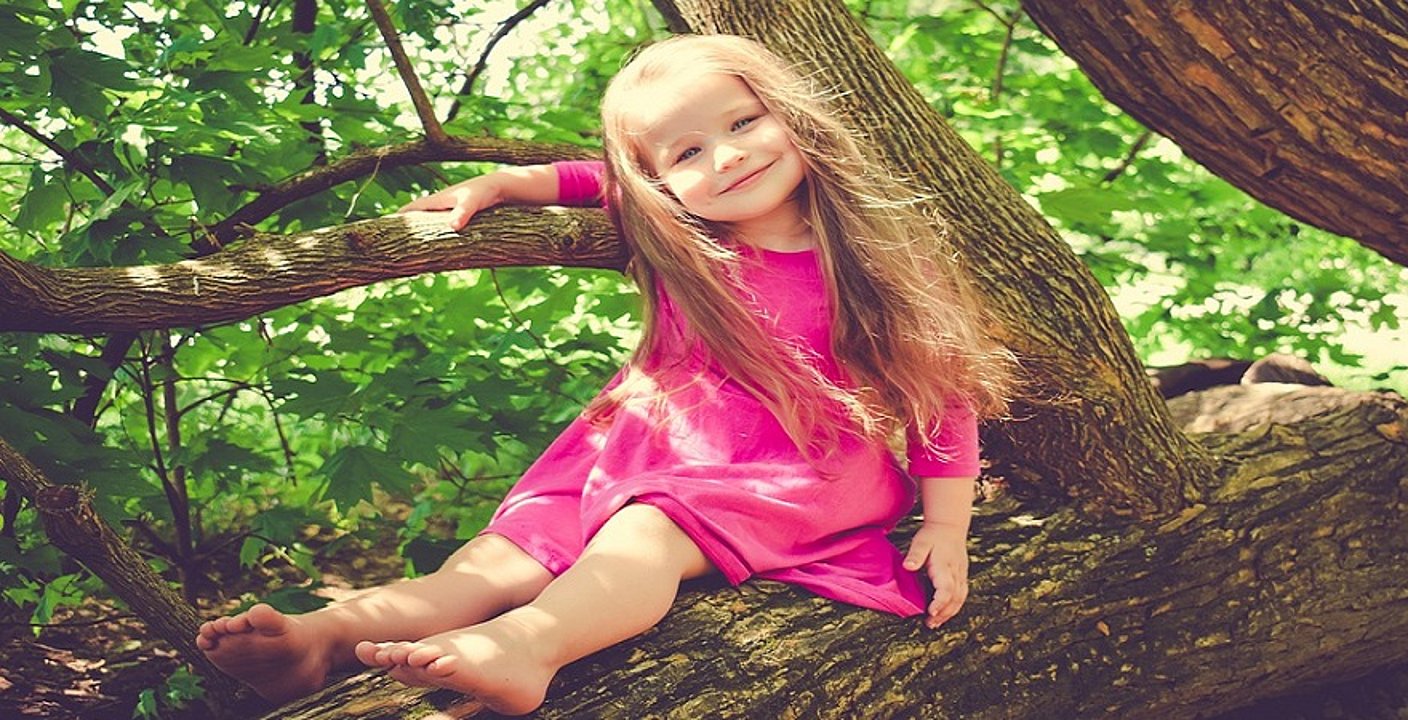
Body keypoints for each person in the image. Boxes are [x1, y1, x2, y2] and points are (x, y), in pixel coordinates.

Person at [195, 33, 1016, 715]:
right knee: (500, 557)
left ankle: (526, 646)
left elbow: (938, 394)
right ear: (660, 184)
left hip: (793, 468)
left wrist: (947, 525)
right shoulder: (680, 237)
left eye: (743, 123)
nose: (726, 158)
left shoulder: (878, 258)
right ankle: (327, 638)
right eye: (689, 151)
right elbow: (596, 179)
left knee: (644, 535)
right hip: (636, 448)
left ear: (791, 115)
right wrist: (508, 182)